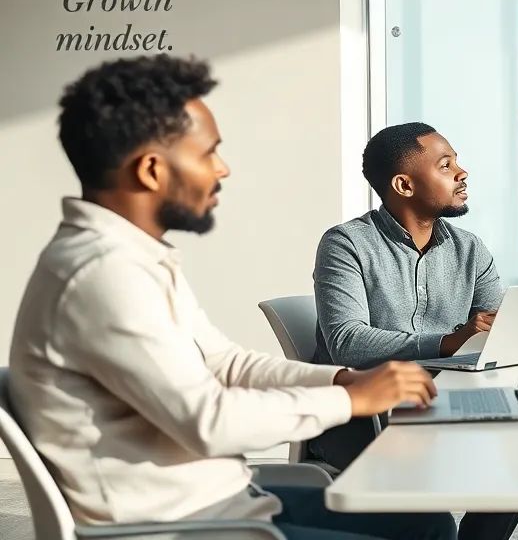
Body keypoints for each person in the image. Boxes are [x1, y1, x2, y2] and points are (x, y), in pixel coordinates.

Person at [8, 54, 455, 540]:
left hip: (229, 499)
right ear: (153, 170)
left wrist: (345, 377)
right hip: (184, 528)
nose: (221, 170)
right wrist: (350, 401)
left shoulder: (135, 257)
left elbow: (227, 363)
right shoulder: (102, 275)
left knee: (424, 519)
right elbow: (210, 421)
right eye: (207, 153)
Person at [307, 122, 518, 540]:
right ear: (404, 185)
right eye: (446, 165)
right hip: (364, 417)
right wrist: (447, 342)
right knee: (432, 518)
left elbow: (496, 329)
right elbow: (346, 342)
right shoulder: (345, 244)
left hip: (445, 408)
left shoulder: (470, 249)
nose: (463, 173)